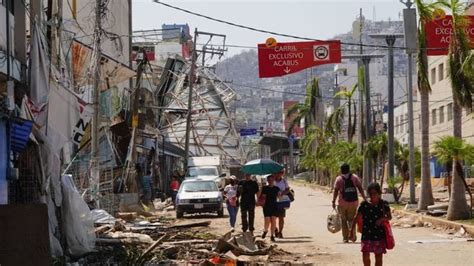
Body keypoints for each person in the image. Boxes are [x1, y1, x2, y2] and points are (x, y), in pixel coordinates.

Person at [357, 182, 392, 266]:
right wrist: (353, 230)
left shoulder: (384, 204)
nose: (372, 196)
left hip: (379, 234)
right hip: (366, 234)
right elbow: (358, 216)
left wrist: (382, 219)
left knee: (378, 256)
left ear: (379, 193)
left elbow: (389, 216)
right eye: (370, 194)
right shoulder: (364, 205)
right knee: (365, 254)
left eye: (375, 193)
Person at [332, 163, 366, 242]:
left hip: (342, 203)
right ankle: (353, 236)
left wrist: (333, 201)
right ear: (349, 169)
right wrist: (364, 197)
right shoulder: (354, 177)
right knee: (352, 220)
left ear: (341, 170)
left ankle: (345, 238)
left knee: (343, 220)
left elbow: (336, 191)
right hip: (353, 202)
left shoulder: (339, 179)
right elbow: (360, 187)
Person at [260, 175, 280, 242]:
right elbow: (262, 196)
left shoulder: (276, 188)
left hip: (274, 206)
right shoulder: (265, 188)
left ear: (273, 180)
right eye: (269, 180)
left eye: (272, 180)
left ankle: (272, 235)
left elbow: (279, 197)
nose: (271, 181)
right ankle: (265, 231)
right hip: (266, 206)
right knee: (267, 221)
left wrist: (281, 193)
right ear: (267, 181)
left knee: (273, 221)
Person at [274, 170, 289, 238]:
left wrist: (282, 193)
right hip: (273, 201)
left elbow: (288, 189)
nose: (279, 174)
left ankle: (280, 232)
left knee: (281, 218)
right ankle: (275, 230)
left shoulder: (284, 181)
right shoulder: (272, 180)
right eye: (278, 172)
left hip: (282, 201)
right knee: (273, 218)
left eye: (281, 173)